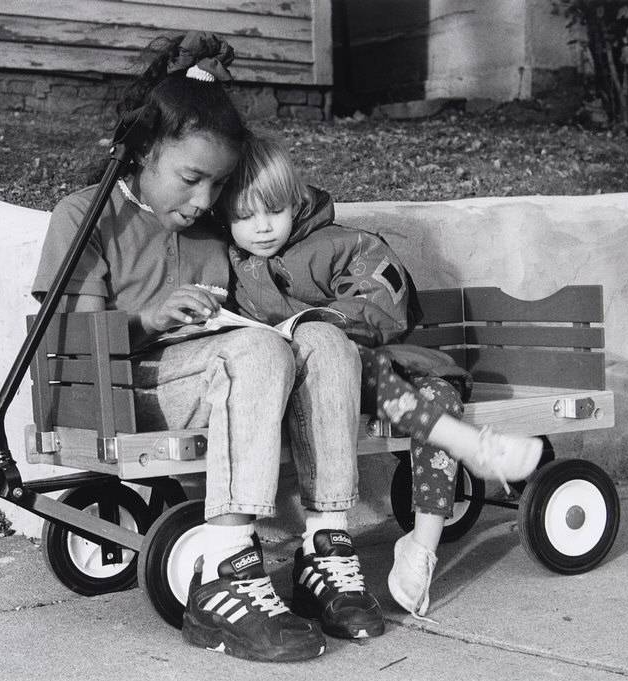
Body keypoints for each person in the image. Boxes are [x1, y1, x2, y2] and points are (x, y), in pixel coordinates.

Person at [31, 33, 384, 662]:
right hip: (126, 389)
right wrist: (147, 318)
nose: (202, 203)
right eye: (191, 179)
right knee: (256, 353)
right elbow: (71, 344)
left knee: (324, 340)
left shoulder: (215, 230)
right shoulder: (85, 215)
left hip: (223, 372)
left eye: (217, 186)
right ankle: (226, 572)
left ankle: (325, 550)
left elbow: (293, 227)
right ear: (141, 152)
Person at [217, 133, 543, 621]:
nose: (262, 227)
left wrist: (328, 322)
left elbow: (381, 297)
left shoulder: (337, 245)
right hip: (306, 394)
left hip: (375, 371)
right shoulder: (235, 271)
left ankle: (422, 546)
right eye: (245, 216)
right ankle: (473, 446)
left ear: (296, 201)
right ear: (225, 218)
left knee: (436, 394)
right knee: (359, 372)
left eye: (275, 210)